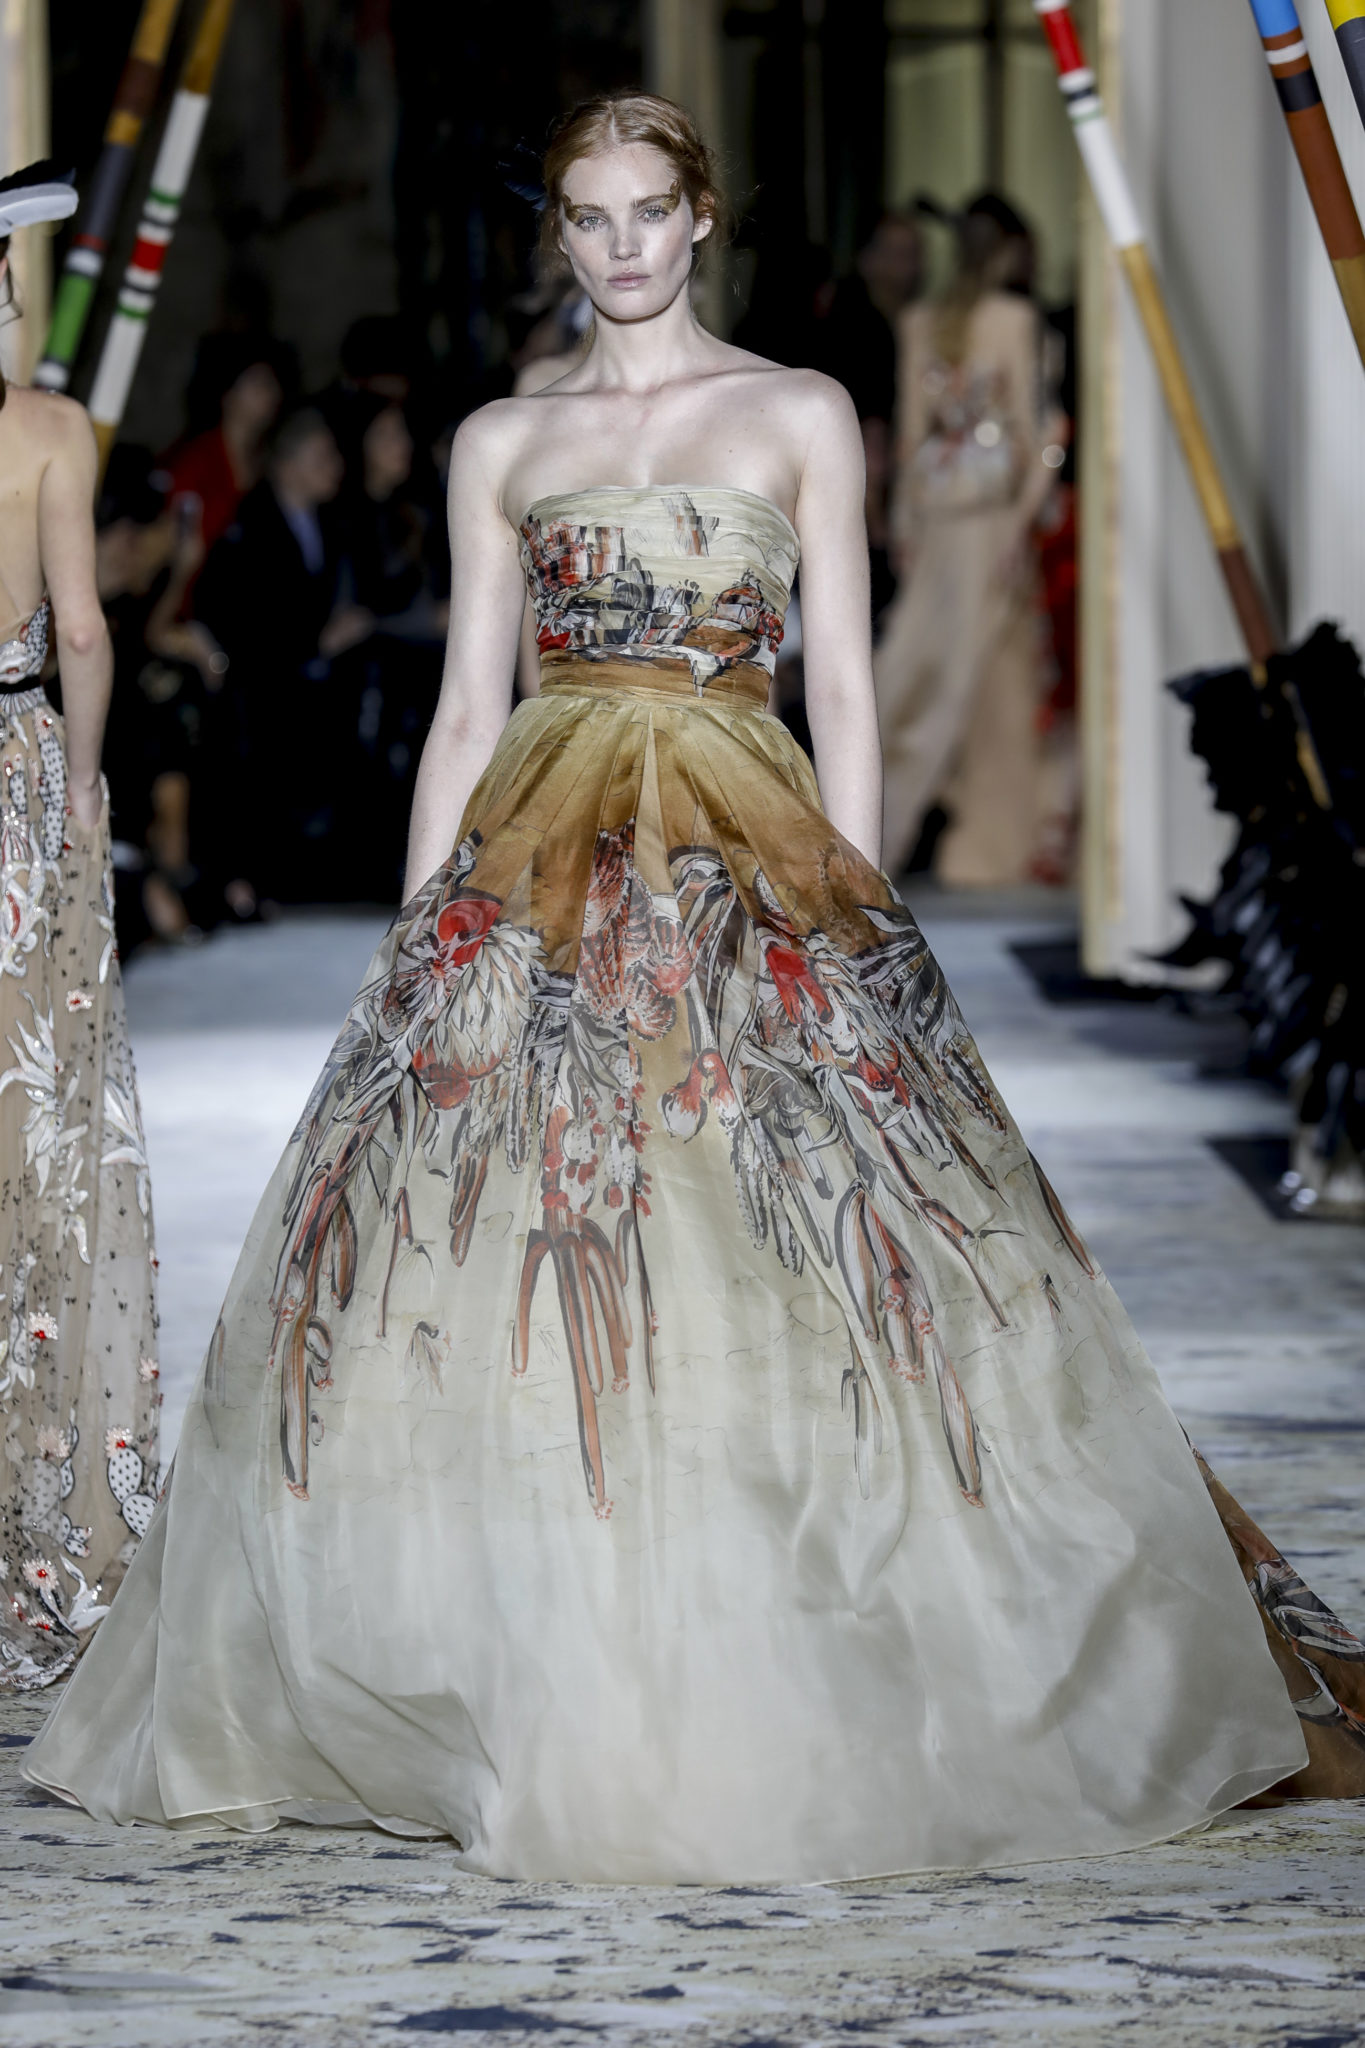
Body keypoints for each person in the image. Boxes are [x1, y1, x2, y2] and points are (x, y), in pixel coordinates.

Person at [24, 99, 1363, 1878]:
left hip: (744, 840)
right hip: (544, 850)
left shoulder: (799, 412)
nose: (622, 247)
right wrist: (423, 941)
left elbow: (848, 691)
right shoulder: (505, 436)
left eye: (649, 212)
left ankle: (809, 1634)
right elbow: (470, 704)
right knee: (532, 1243)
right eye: (589, 218)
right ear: (561, 233)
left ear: (701, 216)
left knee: (796, 1226)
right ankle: (547, 1655)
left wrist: (855, 916)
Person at [0, 167, 159, 1690]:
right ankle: (40, 1526)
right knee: (35, 1150)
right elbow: (87, 632)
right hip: (17, 787)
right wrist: (85, 780)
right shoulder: (47, 432)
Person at [874, 195, 1061, 885]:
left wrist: (903, 524)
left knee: (936, 669)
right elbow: (1037, 434)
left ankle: (892, 834)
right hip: (991, 518)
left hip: (935, 515)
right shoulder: (1014, 320)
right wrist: (1024, 522)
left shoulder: (920, 321)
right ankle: (987, 844)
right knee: (974, 677)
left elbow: (910, 435)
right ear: (1005, 253)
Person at [194, 407, 371, 900]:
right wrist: (317, 641)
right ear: (287, 464)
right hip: (263, 689)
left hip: (316, 686)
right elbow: (243, 616)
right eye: (321, 456)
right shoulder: (251, 524)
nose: (334, 466)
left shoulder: (331, 522)